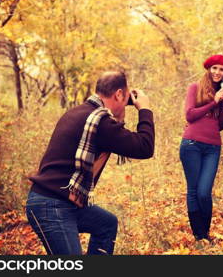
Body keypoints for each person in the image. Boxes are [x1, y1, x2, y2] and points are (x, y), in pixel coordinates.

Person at [25, 71, 155, 255]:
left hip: (57, 201)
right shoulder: (100, 123)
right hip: (52, 206)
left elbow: (117, 132)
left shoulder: (82, 113)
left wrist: (123, 106)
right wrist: (145, 109)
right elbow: (145, 147)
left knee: (106, 224)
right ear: (118, 94)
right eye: (124, 96)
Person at [179, 54, 223, 241]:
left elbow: (217, 125)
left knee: (204, 192)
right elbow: (190, 115)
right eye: (214, 68)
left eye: (221, 69)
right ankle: (199, 235)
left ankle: (205, 232)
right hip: (191, 144)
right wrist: (214, 102)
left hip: (213, 147)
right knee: (193, 190)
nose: (217, 72)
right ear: (209, 69)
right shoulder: (195, 87)